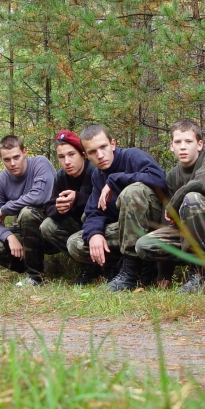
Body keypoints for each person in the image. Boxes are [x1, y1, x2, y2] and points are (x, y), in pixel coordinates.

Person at [135, 119, 205, 292]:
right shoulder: (173, 175)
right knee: (144, 245)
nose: (183, 147)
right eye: (178, 142)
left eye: (188, 141)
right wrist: (164, 274)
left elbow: (201, 184)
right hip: (190, 231)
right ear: (171, 146)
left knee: (192, 199)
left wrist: (175, 202)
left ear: (199, 145)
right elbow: (167, 221)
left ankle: (201, 275)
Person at [67, 124, 167, 292]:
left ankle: (131, 273)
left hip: (155, 225)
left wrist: (116, 180)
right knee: (75, 243)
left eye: (103, 147)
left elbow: (160, 179)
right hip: (127, 229)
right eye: (92, 152)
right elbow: (94, 211)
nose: (100, 155)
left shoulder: (132, 156)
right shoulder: (97, 175)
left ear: (112, 144)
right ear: (86, 155)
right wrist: (95, 234)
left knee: (132, 192)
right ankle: (123, 268)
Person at [0, 135, 57, 286]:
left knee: (27, 212)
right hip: (26, 232)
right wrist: (8, 236)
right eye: (7, 159)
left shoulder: (40, 163)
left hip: (52, 228)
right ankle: (35, 266)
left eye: (16, 157)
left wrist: (4, 210)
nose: (12, 163)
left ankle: (35, 277)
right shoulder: (2, 180)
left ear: (24, 152)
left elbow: (39, 196)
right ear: (1, 159)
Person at [39, 130, 98, 284]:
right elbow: (49, 207)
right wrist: (59, 209)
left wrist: (78, 198)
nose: (67, 161)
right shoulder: (61, 176)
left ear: (83, 154)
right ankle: (88, 267)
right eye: (61, 157)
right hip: (77, 226)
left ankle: (111, 264)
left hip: (99, 225)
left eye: (71, 155)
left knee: (87, 216)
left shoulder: (95, 170)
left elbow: (105, 204)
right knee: (47, 226)